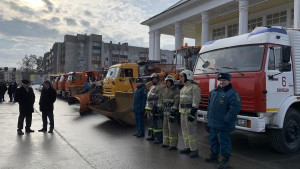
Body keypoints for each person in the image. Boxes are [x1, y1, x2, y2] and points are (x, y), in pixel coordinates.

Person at [204, 73, 241, 169]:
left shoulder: (233, 93)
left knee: (224, 143)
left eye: (224, 80)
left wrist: (226, 120)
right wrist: (209, 118)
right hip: (213, 123)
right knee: (213, 141)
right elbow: (209, 107)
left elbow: (234, 109)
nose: (221, 82)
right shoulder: (214, 92)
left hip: (224, 125)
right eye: (220, 80)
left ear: (229, 81)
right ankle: (214, 155)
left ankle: (225, 160)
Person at [179, 70, 201, 158]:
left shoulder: (194, 87)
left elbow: (196, 99)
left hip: (190, 113)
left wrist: (193, 111)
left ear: (188, 76)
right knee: (184, 131)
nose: (182, 78)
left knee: (191, 131)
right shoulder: (183, 88)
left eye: (183, 76)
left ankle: (194, 150)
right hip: (183, 113)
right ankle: (187, 147)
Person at [159, 75, 180, 150]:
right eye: (167, 82)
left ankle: (173, 144)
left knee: (172, 129)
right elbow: (161, 100)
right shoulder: (164, 90)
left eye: (169, 82)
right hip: (165, 112)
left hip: (171, 113)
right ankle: (166, 142)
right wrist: (160, 109)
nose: (168, 83)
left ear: (172, 82)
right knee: (165, 128)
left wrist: (174, 110)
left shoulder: (176, 90)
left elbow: (177, 100)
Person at [145, 73, 164, 144]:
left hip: (155, 109)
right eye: (152, 79)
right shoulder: (152, 87)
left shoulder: (160, 87)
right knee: (151, 123)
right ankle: (151, 136)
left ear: (157, 79)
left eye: (154, 79)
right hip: (150, 108)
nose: (153, 80)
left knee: (157, 124)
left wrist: (157, 107)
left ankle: (158, 138)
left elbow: (160, 98)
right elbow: (149, 98)